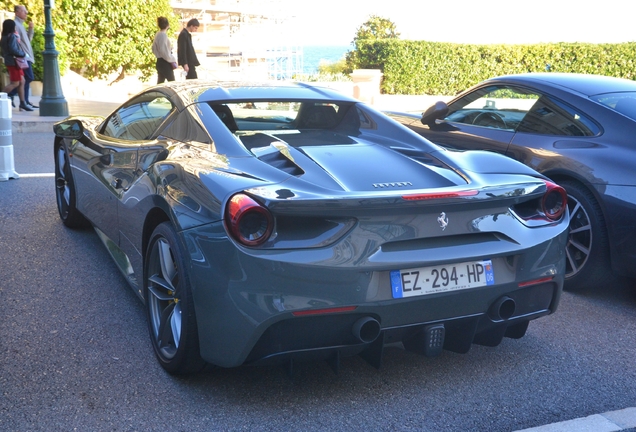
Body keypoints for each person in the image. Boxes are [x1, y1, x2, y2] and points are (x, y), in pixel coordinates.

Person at [0, 19, 32, 111]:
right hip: (15, 62)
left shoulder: (4, 37)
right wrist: (23, 54)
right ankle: (3, 95)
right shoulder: (12, 36)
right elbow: (13, 49)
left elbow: (4, 51)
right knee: (15, 83)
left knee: (22, 81)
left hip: (11, 61)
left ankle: (22, 103)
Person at [9, 5, 36, 109]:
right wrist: (20, 54)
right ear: (17, 12)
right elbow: (16, 43)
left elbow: (27, 40)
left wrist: (31, 29)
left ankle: (25, 102)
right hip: (23, 57)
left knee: (26, 79)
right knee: (28, 77)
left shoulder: (21, 24)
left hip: (26, 56)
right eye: (24, 11)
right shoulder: (15, 25)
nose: (26, 13)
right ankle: (11, 94)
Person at [152, 16, 177, 84]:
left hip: (159, 61)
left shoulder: (158, 34)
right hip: (165, 62)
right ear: (167, 25)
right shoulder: (163, 35)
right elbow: (164, 52)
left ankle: (157, 94)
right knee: (172, 83)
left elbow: (154, 48)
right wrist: (172, 59)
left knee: (160, 83)